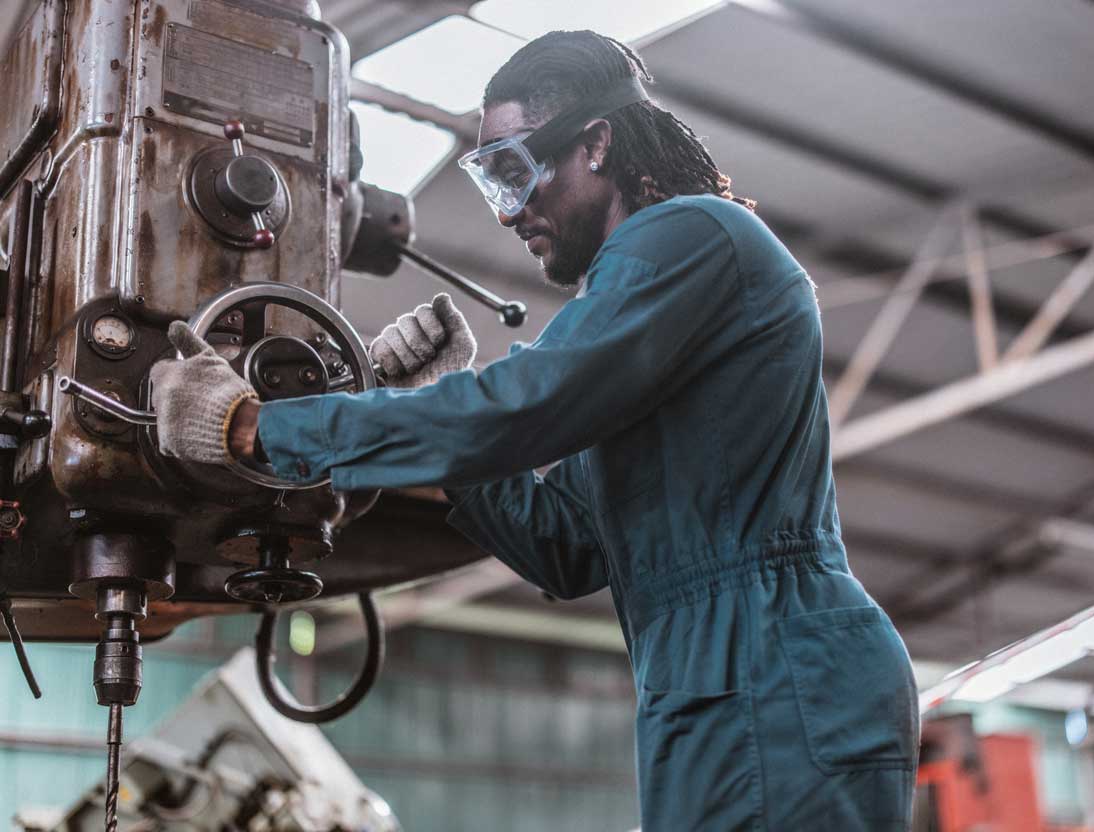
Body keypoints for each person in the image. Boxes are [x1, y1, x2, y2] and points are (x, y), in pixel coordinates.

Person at [152, 30, 919, 830]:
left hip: (770, 656)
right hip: (715, 670)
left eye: (515, 172)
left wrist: (256, 429)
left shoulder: (690, 236)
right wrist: (443, 402)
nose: (509, 211)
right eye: (492, 182)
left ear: (596, 144)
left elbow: (520, 408)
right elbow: (568, 549)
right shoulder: (647, 313)